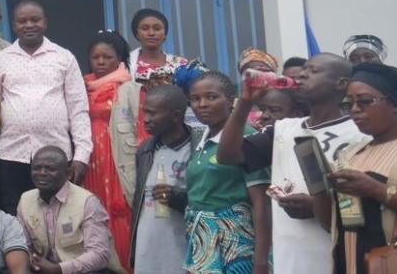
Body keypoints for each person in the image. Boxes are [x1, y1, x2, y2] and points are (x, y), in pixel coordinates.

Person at [216, 53, 362, 274]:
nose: (303, 74)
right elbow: (227, 155)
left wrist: (318, 207)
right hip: (290, 262)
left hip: (335, 261)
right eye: (303, 69)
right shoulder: (285, 129)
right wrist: (245, 102)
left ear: (341, 83)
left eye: (313, 71)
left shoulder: (358, 133)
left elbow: (364, 206)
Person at [0, 0, 91, 214]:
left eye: (35, 20)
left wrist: (82, 155)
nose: (29, 25)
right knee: (13, 216)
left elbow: (78, 108)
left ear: (45, 22)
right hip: (10, 156)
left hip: (57, 156)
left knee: (59, 215)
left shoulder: (64, 57)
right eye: (22, 21)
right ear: (13, 25)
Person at [312, 62, 397, 273]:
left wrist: (376, 190)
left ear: (396, 104)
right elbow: (332, 224)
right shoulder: (350, 154)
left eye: (364, 101)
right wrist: (318, 185)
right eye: (348, 103)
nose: (354, 110)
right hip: (348, 264)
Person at [184, 71, 270, 274]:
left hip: (236, 244)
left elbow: (262, 203)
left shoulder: (246, 136)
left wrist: (260, 260)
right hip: (203, 241)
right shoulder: (200, 139)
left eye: (211, 97)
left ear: (231, 100)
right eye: (195, 99)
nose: (202, 104)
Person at [130, 85, 202, 274]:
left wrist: (177, 197)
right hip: (147, 247)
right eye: (145, 112)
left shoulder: (197, 149)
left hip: (183, 247)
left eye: (152, 114)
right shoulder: (146, 149)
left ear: (176, 115)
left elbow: (206, 200)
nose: (145, 120)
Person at [17, 146, 120, 274]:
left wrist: (59, 269)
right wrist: (32, 259)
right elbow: (22, 246)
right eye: (37, 168)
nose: (42, 173)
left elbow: (99, 255)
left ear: (68, 173)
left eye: (50, 169)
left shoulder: (87, 202)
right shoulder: (26, 200)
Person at [80, 31, 134, 271]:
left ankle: (123, 265)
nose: (100, 62)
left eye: (107, 57)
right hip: (89, 157)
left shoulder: (128, 87)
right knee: (91, 208)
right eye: (95, 57)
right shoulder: (82, 85)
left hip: (115, 157)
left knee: (118, 208)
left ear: (119, 59)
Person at [126, 9, 186, 82]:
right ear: (137, 34)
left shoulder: (180, 65)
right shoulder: (126, 63)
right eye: (145, 28)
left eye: (157, 29)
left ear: (165, 34)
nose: (151, 33)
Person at [235, 49, 280, 129]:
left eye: (262, 71)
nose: (257, 75)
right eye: (251, 72)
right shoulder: (236, 106)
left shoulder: (282, 102)